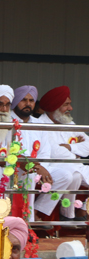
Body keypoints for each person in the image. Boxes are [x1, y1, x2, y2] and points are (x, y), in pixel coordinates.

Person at [0, 84, 53, 217]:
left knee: (27, 172)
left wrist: (31, 165)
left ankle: (26, 220)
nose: (4, 109)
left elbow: (16, 152)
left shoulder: (8, 122)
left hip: (5, 165)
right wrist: (16, 161)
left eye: (7, 105)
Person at [35, 86, 89, 220]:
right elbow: (55, 152)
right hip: (55, 165)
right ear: (54, 107)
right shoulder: (40, 124)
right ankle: (68, 214)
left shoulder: (68, 122)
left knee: (75, 172)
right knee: (74, 175)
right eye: (66, 105)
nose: (71, 108)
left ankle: (82, 209)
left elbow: (88, 145)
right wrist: (77, 152)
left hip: (74, 164)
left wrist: (70, 147)